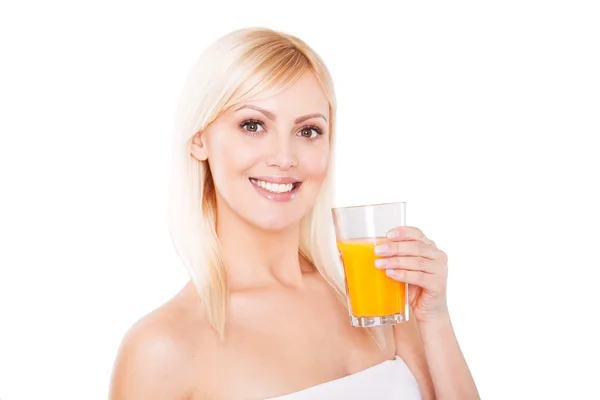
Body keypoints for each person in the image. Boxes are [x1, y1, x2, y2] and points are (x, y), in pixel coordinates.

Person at [109, 27, 480, 400]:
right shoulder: (160, 349)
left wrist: (434, 318)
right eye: (253, 125)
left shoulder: (374, 299)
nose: (284, 158)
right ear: (199, 139)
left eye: (308, 131)